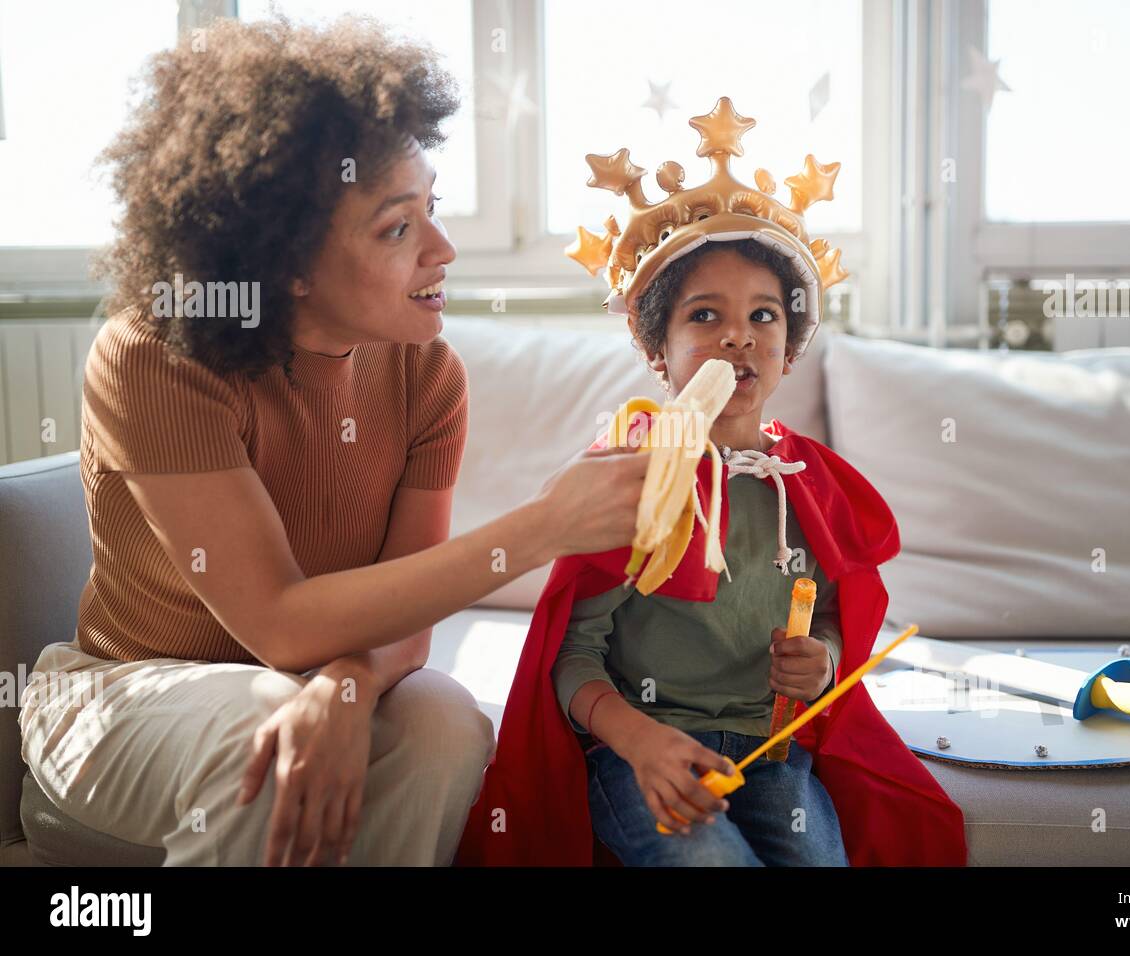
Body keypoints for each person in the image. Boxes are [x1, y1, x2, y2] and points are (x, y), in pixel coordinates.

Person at [17, 15, 647, 867]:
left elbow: (406, 614)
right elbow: (277, 623)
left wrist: (349, 687)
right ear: (287, 264)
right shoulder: (153, 357)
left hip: (298, 684)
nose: (443, 248)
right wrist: (544, 525)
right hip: (119, 702)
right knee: (265, 732)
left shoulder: (428, 375)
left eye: (433, 208)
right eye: (397, 228)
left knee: (443, 722)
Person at [456, 97, 968, 866]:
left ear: (790, 348)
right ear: (656, 348)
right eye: (705, 314)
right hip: (641, 749)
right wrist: (642, 741)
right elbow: (573, 656)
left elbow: (830, 613)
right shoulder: (631, 472)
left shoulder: (809, 482)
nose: (739, 334)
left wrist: (822, 656)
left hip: (771, 751)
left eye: (765, 316)